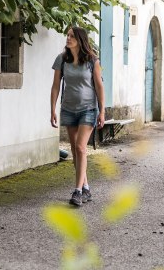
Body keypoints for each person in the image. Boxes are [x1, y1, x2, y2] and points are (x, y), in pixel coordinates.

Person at [50, 26, 105, 207]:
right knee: (74, 150)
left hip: (88, 109)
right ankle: (86, 187)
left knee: (81, 148)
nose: (68, 38)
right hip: (68, 109)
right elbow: (56, 86)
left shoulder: (92, 61)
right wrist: (52, 109)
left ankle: (78, 191)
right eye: (67, 35)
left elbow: (99, 86)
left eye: (72, 36)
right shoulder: (62, 59)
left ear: (80, 39)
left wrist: (102, 111)